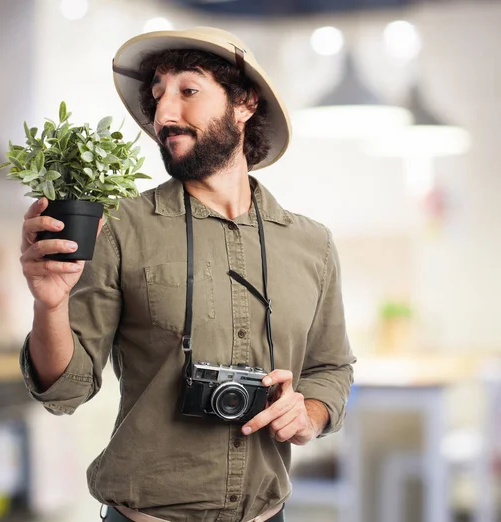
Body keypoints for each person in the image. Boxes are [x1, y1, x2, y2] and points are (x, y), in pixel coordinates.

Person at [19, 27, 356, 522]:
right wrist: (48, 305)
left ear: (244, 104)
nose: (163, 115)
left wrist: (309, 414)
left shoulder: (312, 244)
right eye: (156, 97)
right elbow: (66, 389)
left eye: (187, 91)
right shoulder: (120, 227)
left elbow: (331, 368)